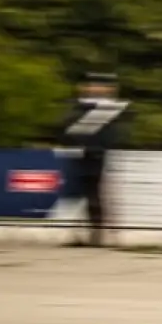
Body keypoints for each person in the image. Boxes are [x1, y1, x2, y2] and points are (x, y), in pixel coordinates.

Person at [57, 73, 130, 248]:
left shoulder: (112, 109)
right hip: (77, 156)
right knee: (76, 195)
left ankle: (98, 234)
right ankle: (77, 233)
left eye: (100, 85)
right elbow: (64, 127)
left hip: (99, 156)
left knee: (96, 195)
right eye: (92, 85)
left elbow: (117, 134)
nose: (95, 88)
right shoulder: (77, 107)